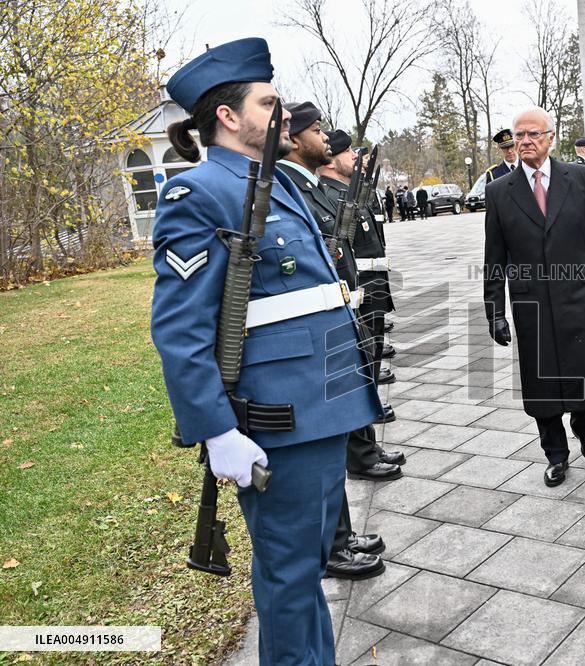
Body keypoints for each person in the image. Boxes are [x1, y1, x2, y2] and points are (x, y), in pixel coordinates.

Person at [152, 38, 382, 665]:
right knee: (288, 574)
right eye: (270, 103)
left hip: (322, 403)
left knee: (305, 569)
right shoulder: (200, 194)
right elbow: (180, 330)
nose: (282, 115)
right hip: (278, 420)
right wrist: (216, 431)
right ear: (229, 116)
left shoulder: (273, 182)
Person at [276, 105, 396, 582]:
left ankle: (340, 537)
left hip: (336, 314)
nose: (323, 137)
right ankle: (332, 543)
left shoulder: (303, 187)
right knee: (321, 448)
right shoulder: (290, 189)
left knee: (329, 442)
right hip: (308, 334)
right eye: (316, 130)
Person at [483, 107, 585, 488]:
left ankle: (584, 429)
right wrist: (495, 312)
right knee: (542, 384)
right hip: (531, 305)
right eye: (519, 136)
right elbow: (493, 258)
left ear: (550, 137)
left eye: (533, 134)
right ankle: (555, 455)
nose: (524, 141)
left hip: (577, 296)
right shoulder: (499, 193)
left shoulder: (578, 178)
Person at [318, 135, 399, 425]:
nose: (355, 156)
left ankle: (371, 406)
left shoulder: (347, 192)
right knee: (364, 353)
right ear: (330, 159)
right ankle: (366, 415)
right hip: (359, 287)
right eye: (347, 151)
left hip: (373, 284)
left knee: (373, 347)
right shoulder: (330, 196)